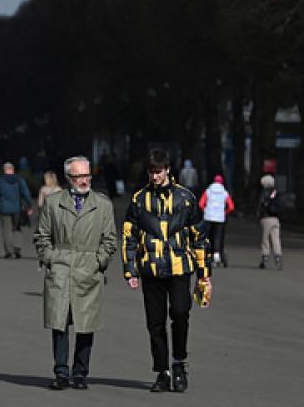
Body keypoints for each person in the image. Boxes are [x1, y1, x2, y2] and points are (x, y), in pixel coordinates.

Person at [122, 149, 210, 393]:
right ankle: (162, 372)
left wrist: (204, 274)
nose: (155, 176)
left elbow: (199, 237)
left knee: (181, 314)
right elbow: (129, 236)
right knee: (155, 324)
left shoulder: (186, 198)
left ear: (168, 170)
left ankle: (179, 363)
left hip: (180, 267)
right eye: (151, 172)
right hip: (151, 269)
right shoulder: (139, 200)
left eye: (158, 171)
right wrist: (130, 271)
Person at [34, 156, 116, 390]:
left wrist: (99, 262)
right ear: (69, 178)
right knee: (60, 324)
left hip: (89, 268)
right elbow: (42, 236)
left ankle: (80, 373)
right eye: (79, 176)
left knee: (86, 324)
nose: (84, 180)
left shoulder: (103, 205)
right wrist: (50, 258)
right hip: (61, 267)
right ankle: (61, 373)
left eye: (87, 175)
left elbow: (110, 240)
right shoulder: (53, 203)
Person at [0, 162, 33, 258]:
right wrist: (29, 205)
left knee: (7, 230)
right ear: (13, 169)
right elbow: (26, 193)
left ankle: (9, 251)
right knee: (17, 228)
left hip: (4, 209)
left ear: (4, 170)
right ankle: (17, 247)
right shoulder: (19, 180)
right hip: (17, 208)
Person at [199, 174, 235, 267]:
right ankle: (217, 256)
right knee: (217, 237)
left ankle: (206, 255)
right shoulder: (224, 193)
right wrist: (224, 212)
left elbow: (201, 204)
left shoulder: (208, 191)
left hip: (208, 217)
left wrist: (206, 211)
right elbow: (231, 207)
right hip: (219, 218)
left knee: (208, 237)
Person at [257, 174, 283, 270]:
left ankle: (265, 258)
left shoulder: (264, 193)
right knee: (276, 239)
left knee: (265, 239)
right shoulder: (276, 192)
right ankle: (278, 257)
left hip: (266, 218)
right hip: (276, 219)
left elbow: (261, 205)